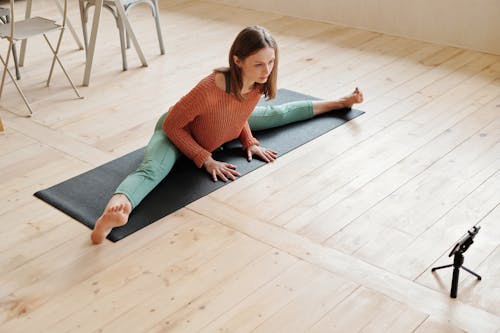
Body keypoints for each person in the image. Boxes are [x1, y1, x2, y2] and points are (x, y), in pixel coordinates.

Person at [91, 25, 363, 244]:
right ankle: (112, 215)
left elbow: (239, 114)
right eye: (258, 64)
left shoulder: (258, 84)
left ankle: (340, 102)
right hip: (177, 134)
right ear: (237, 60)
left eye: (271, 62)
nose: (267, 70)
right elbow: (172, 126)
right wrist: (206, 159)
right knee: (152, 171)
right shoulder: (210, 89)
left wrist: (249, 141)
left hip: (219, 128)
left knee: (278, 115)